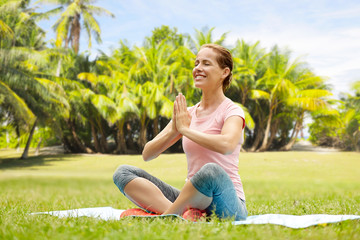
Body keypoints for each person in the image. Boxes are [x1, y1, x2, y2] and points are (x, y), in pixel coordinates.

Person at [113, 44, 247, 221]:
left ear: (224, 72)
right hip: (190, 198)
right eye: (196, 63)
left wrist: (185, 130)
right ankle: (183, 214)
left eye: (206, 64)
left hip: (226, 202)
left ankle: (168, 216)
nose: (198, 68)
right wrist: (175, 130)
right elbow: (147, 154)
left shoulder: (232, 111)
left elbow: (227, 145)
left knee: (211, 171)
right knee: (123, 172)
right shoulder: (187, 113)